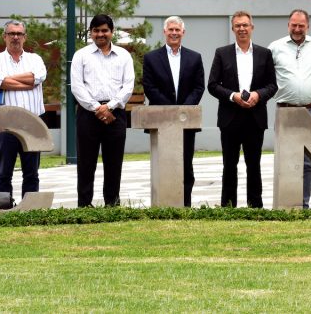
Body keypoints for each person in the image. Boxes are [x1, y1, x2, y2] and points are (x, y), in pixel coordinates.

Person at [207, 11, 278, 208]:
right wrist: (233, 96)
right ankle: (228, 206)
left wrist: (258, 94)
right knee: (229, 165)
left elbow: (272, 85)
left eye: (245, 25)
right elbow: (212, 85)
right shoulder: (222, 53)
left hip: (255, 118)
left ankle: (255, 206)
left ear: (252, 28)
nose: (242, 29)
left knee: (253, 165)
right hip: (230, 117)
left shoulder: (265, 54)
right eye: (238, 25)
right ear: (233, 29)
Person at [270, 9, 311, 209]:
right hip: (285, 111)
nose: (297, 29)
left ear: (308, 26)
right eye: (294, 25)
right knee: (285, 159)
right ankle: (286, 204)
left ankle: (303, 204)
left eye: (301, 26)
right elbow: (266, 72)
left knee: (307, 162)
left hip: (310, 111)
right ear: (288, 25)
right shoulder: (275, 47)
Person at [70, 14, 135, 207]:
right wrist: (97, 107)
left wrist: (111, 106)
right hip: (87, 113)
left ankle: (112, 203)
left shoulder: (124, 55)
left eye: (105, 30)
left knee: (114, 162)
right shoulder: (80, 55)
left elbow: (128, 86)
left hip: (116, 114)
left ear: (112, 32)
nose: (101, 34)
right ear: (91, 33)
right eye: (96, 30)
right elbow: (77, 86)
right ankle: (84, 204)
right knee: (85, 162)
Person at [141, 16, 206, 207]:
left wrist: (182, 110)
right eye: (171, 30)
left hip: (187, 122)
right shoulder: (151, 58)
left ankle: (185, 205)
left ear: (183, 33)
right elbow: (149, 87)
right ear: (164, 32)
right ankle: (163, 205)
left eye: (177, 30)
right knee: (163, 166)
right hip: (161, 123)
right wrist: (171, 111)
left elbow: (198, 87)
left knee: (186, 167)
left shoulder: (195, 58)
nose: (174, 33)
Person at [0, 20, 47, 206]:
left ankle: (30, 210)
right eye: (11, 33)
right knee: (4, 171)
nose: (15, 37)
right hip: (4, 124)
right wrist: (27, 82)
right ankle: (4, 208)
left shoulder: (35, 59)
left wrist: (7, 81)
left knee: (32, 172)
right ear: (4, 37)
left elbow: (39, 78)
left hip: (32, 123)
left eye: (19, 34)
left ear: (25, 37)